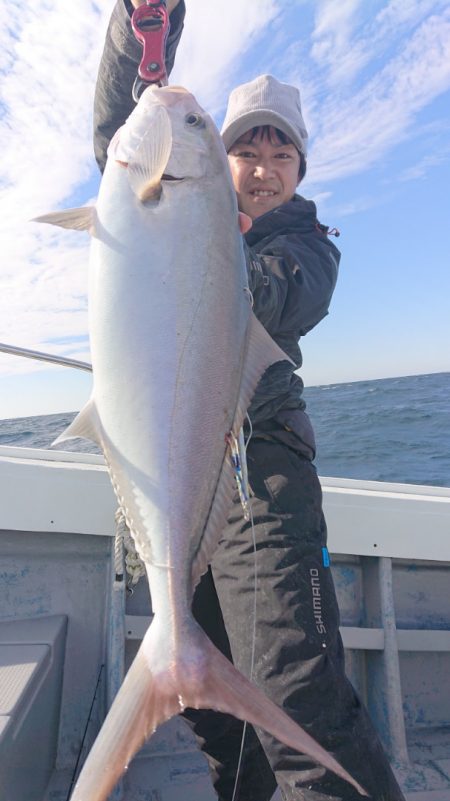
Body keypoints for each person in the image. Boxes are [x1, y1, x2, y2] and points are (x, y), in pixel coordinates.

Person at [93, 3, 407, 800]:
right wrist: (138, 31)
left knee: (297, 700)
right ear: (219, 159)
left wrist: (207, 238)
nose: (264, 165)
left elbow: (264, 298)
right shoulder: (168, 205)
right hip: (164, 490)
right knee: (220, 723)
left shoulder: (307, 248)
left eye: (283, 151)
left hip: (260, 483)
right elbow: (119, 141)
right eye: (246, 147)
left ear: (300, 171)